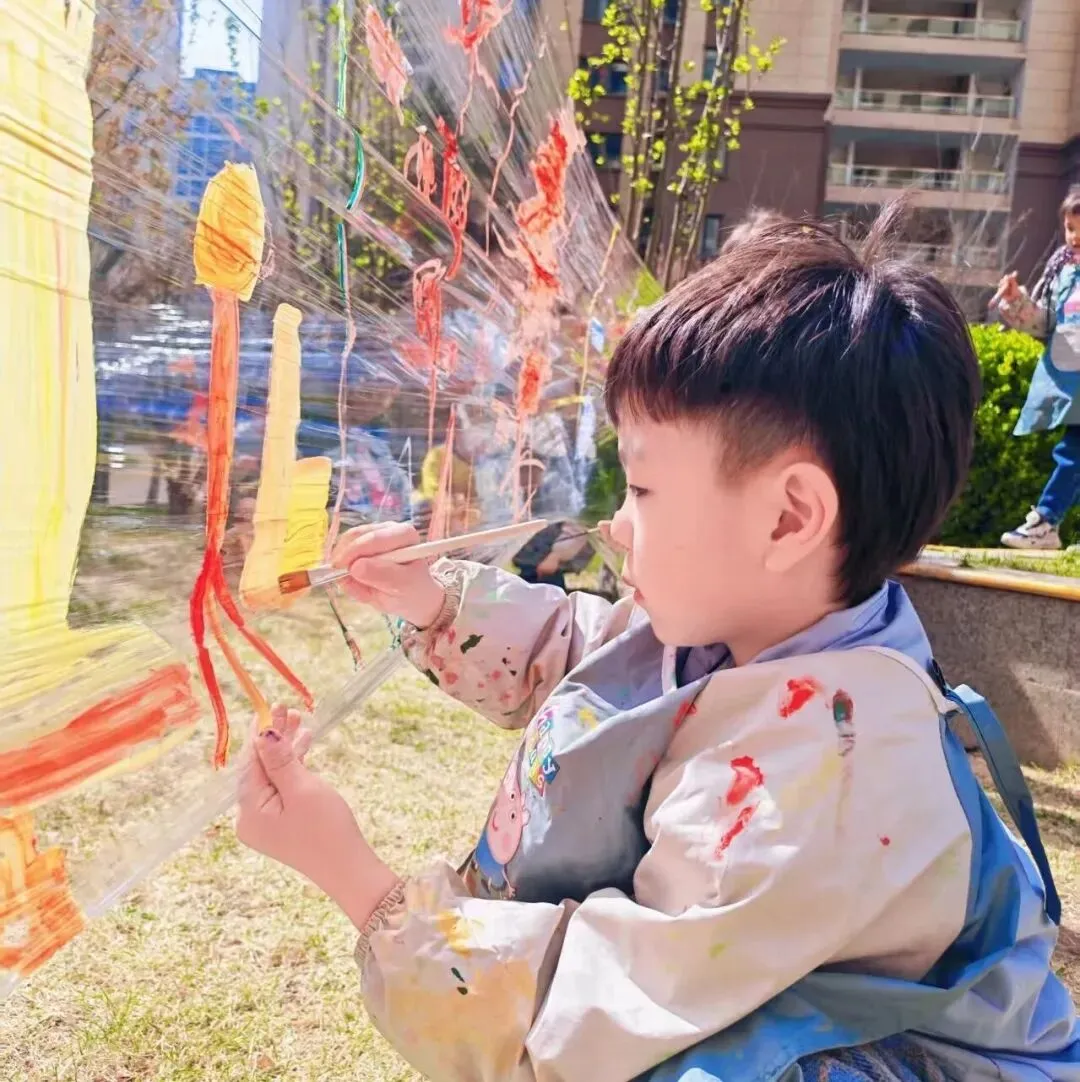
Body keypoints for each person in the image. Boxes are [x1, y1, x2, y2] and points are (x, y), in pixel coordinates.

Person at [235, 208, 1078, 1081]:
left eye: (641, 487)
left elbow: (590, 1018)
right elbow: (589, 655)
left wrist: (356, 879)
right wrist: (431, 599)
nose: (615, 523)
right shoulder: (762, 628)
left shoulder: (810, 790)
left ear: (788, 519)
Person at [993, 185, 1080, 550]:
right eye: (1070, 228)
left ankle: (1046, 520)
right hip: (1071, 378)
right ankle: (1047, 522)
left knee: (1073, 452)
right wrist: (1017, 302)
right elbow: (1047, 326)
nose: (1074, 237)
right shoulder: (1063, 271)